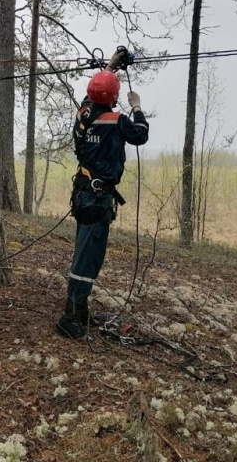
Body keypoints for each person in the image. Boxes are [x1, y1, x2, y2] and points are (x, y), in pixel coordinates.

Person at [56, 67, 149, 339]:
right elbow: (141, 134)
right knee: (88, 257)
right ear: (114, 96)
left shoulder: (84, 113)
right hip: (96, 197)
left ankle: (80, 309)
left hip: (85, 192)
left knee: (87, 254)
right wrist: (138, 107)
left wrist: (110, 67)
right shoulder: (116, 120)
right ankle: (70, 315)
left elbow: (93, 95)